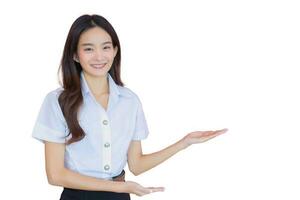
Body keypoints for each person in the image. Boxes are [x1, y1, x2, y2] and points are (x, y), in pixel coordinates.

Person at [32, 14, 228, 200]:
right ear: (75, 55)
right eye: (89, 49)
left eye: (106, 47)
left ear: (115, 51)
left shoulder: (129, 101)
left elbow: (136, 164)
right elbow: (55, 175)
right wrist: (118, 187)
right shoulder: (57, 101)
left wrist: (184, 143)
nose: (99, 56)